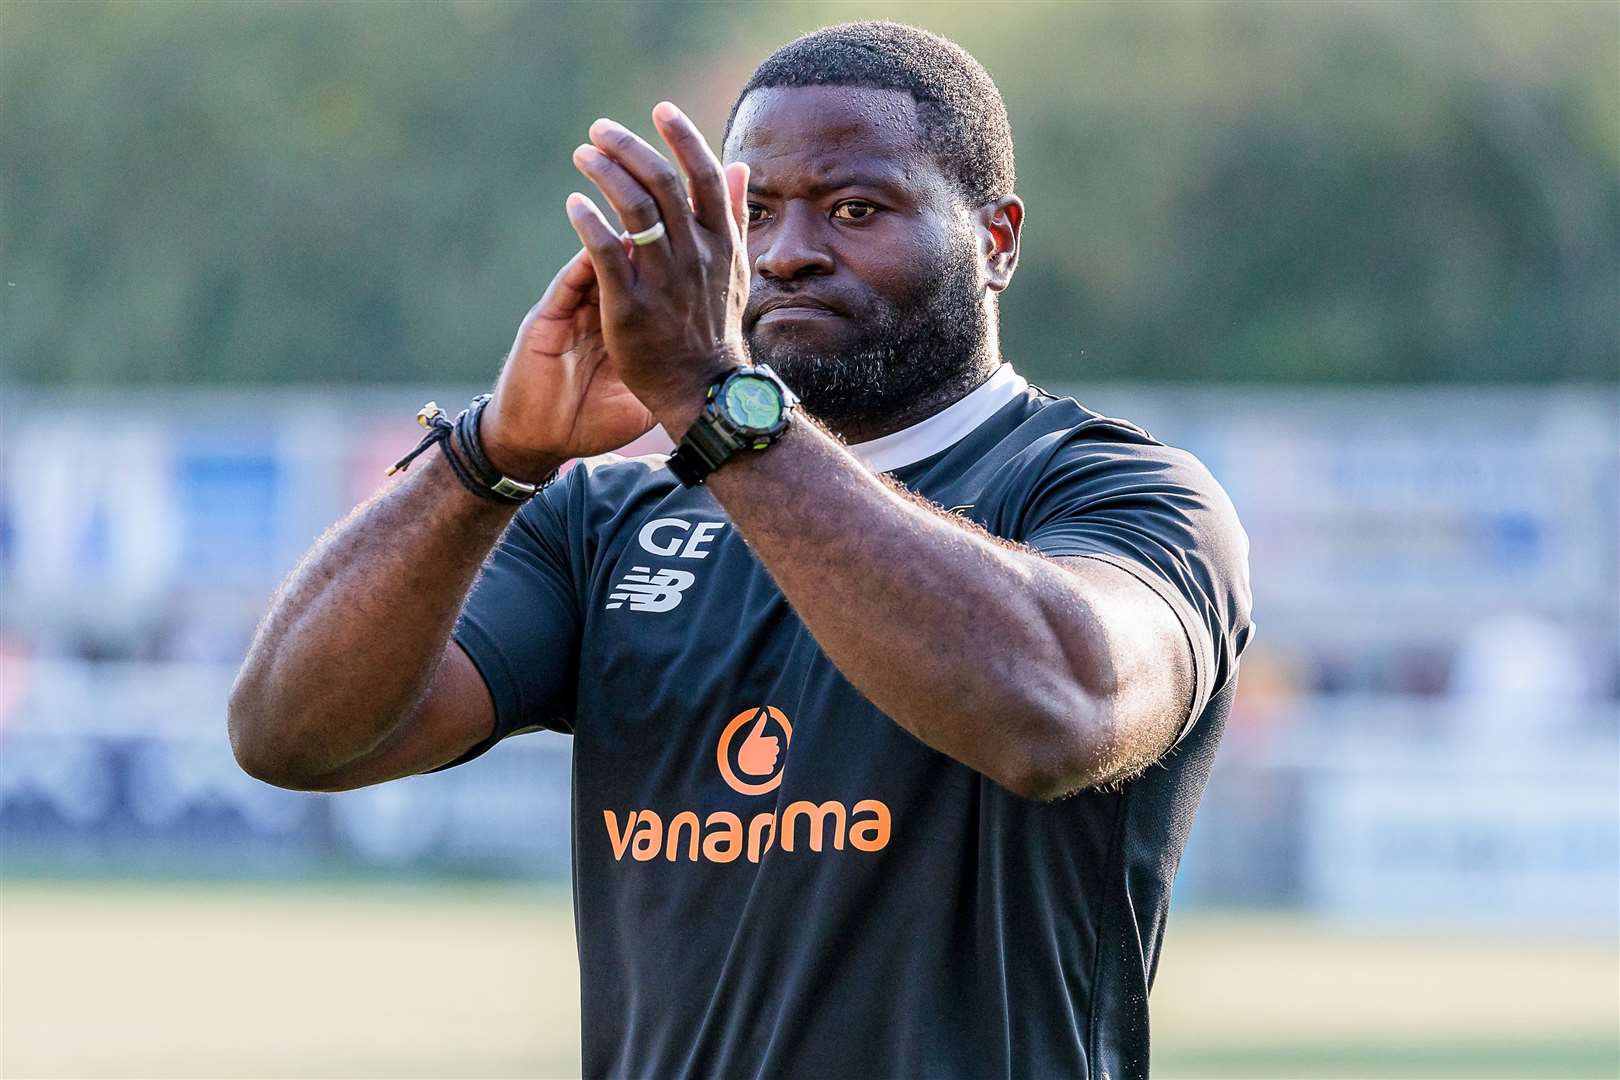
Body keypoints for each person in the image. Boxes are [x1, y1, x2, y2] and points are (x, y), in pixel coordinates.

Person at [229, 21, 1252, 1080]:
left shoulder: (1120, 492)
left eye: (856, 208)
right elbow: (292, 734)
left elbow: (1059, 714)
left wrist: (717, 404)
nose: (785, 252)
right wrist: (493, 451)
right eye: (749, 214)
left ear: (996, 240)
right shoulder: (600, 521)